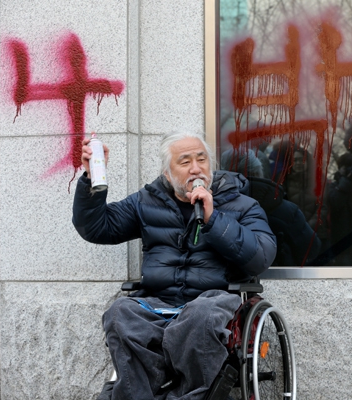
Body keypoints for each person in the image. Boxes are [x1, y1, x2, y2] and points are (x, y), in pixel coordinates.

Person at [72, 131, 276, 400]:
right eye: (184, 161)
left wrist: (213, 218)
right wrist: (91, 180)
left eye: (201, 159)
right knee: (121, 312)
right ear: (167, 174)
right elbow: (97, 228)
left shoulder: (242, 205)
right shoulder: (146, 202)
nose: (195, 168)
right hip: (159, 302)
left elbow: (262, 256)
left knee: (200, 315)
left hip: (212, 300)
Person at [220, 148, 321, 265]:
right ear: (258, 173)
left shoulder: (210, 209)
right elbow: (311, 248)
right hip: (281, 276)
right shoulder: (287, 211)